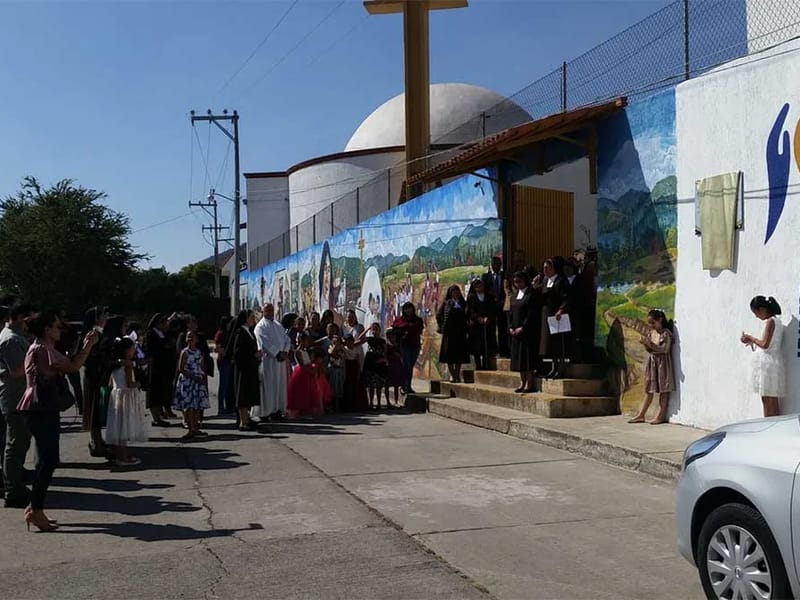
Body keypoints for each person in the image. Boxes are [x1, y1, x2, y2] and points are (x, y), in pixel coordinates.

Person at [17, 311, 98, 531]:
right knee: (48, 460)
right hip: (41, 408)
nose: (59, 330)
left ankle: (35, 507)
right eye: (55, 326)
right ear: (46, 330)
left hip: (39, 407)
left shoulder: (39, 348)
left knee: (46, 459)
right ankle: (36, 510)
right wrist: (88, 345)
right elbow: (73, 367)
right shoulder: (43, 349)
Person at [0, 302, 33, 507]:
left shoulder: (15, 337)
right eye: (29, 318)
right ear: (20, 317)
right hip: (14, 396)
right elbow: (17, 370)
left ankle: (14, 484)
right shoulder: (11, 340)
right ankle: (13, 490)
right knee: (14, 444)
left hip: (17, 395)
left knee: (18, 442)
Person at [105, 337, 149, 465]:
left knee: (117, 427)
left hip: (116, 396)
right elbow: (130, 383)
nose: (134, 350)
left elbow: (110, 384)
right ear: (126, 350)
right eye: (132, 348)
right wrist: (139, 383)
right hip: (126, 397)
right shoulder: (128, 365)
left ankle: (119, 454)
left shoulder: (115, 365)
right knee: (124, 427)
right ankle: (123, 457)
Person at [741, 296, 785, 418]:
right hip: (773, 362)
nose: (756, 316)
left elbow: (765, 344)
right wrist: (753, 342)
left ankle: (767, 428)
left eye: (756, 313)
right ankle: (775, 428)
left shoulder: (770, 321)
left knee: (766, 400)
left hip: (767, 364)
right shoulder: (777, 321)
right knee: (772, 399)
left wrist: (751, 338)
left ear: (762, 309)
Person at [629, 309, 675, 425]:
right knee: (649, 389)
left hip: (663, 364)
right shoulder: (652, 333)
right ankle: (641, 415)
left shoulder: (666, 334)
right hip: (653, 363)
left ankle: (660, 416)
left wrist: (651, 344)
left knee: (664, 391)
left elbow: (665, 349)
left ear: (660, 320)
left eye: (653, 323)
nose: (651, 326)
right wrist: (646, 345)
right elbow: (650, 349)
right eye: (649, 323)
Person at [253, 303, 292, 422]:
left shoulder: (278, 325)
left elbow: (287, 339)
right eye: (267, 310)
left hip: (280, 362)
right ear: (263, 311)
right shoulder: (260, 326)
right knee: (267, 387)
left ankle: (277, 410)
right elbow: (264, 342)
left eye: (271, 310)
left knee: (280, 386)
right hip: (268, 362)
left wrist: (285, 351)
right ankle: (265, 412)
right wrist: (277, 353)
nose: (270, 312)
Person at [81, 306, 110, 457]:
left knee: (99, 410)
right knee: (94, 410)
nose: (105, 319)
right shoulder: (91, 334)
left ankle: (99, 440)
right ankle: (96, 442)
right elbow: (86, 356)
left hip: (100, 376)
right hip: (94, 376)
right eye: (102, 316)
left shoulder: (100, 333)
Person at [174, 331, 210, 440]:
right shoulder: (184, 352)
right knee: (188, 406)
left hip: (198, 382)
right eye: (188, 336)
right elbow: (181, 368)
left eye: (192, 336)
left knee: (197, 406)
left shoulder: (199, 352)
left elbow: (202, 366)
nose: (190, 338)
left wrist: (203, 379)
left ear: (196, 339)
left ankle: (195, 427)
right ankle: (190, 428)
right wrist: (193, 377)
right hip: (188, 381)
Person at [508, 270, 540, 393]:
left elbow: (531, 314)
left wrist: (523, 327)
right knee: (519, 360)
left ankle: (530, 383)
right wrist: (511, 327)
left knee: (527, 359)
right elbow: (511, 313)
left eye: (519, 281)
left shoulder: (531, 294)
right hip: (515, 331)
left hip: (527, 332)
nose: (517, 284)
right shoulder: (515, 296)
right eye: (515, 282)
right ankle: (522, 382)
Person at [538, 258, 569, 379]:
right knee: (549, 345)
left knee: (558, 344)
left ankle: (560, 369)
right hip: (547, 314)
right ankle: (553, 368)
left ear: (554, 268)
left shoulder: (561, 281)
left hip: (557, 316)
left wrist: (561, 309)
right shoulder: (545, 280)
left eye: (547, 267)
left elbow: (566, 298)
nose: (545, 270)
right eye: (544, 267)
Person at [145, 313, 177, 427]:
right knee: (155, 393)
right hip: (156, 368)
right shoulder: (151, 334)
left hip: (165, 368)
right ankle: (156, 418)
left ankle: (161, 414)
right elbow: (153, 350)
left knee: (162, 393)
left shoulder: (163, 333)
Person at [232, 310, 261, 431]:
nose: (253, 319)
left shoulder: (249, 331)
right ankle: (243, 422)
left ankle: (247, 419)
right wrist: (253, 355)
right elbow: (238, 352)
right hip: (243, 369)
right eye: (251, 317)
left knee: (249, 394)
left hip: (250, 368)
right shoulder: (240, 332)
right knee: (242, 395)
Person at [436, 285, 470, 383]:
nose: (456, 294)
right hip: (449, 333)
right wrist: (442, 327)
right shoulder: (447, 303)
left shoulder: (463, 303)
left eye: (457, 292)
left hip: (460, 333)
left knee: (459, 355)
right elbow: (439, 315)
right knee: (449, 355)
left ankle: (457, 373)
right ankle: (453, 374)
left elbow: (467, 315)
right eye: (454, 292)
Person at [287, 333, 324, 419]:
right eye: (307, 340)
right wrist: (310, 371)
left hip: (308, 372)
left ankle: (306, 411)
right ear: (302, 341)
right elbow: (302, 364)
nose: (308, 342)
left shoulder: (306, 350)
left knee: (309, 392)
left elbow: (308, 361)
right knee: (302, 393)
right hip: (302, 373)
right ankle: (301, 411)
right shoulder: (298, 351)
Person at [391, 302, 424, 394]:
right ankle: (406, 386)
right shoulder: (399, 320)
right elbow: (394, 330)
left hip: (415, 345)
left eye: (409, 308)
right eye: (406, 309)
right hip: (404, 345)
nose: (408, 310)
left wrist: (407, 327)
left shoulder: (417, 320)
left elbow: (419, 329)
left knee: (410, 365)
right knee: (407, 366)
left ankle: (406, 385)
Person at [467, 279, 498, 371]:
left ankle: (486, 363)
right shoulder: (471, 297)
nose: (479, 288)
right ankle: (478, 365)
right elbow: (470, 310)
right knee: (477, 346)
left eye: (481, 286)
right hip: (476, 326)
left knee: (486, 345)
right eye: (477, 286)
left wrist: (488, 317)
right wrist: (478, 318)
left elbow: (492, 308)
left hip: (487, 324)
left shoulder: (489, 296)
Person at [482, 256, 508, 358]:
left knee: (503, 330)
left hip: (502, 306)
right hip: (491, 307)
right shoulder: (486, 277)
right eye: (494, 264)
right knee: (491, 330)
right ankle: (492, 351)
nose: (496, 266)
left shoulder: (504, 275)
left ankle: (504, 351)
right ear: (491, 265)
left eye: (498, 264)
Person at [361, 324, 389, 410]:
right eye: (373, 330)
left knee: (379, 386)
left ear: (379, 330)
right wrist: (367, 329)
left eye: (376, 329)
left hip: (379, 364)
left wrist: (384, 360)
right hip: (370, 363)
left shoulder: (382, 341)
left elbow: (385, 352)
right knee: (371, 386)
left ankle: (379, 403)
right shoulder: (370, 339)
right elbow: (360, 339)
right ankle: (371, 403)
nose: (374, 331)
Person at [213, 316, 234, 415]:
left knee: (227, 385)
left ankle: (227, 406)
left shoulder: (228, 333)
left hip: (228, 360)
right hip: (223, 361)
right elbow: (217, 348)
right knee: (223, 385)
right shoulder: (220, 334)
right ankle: (221, 407)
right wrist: (224, 352)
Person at [385, 329, 405, 408]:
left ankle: (396, 401)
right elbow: (385, 355)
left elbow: (401, 354)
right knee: (387, 385)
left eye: (394, 336)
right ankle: (388, 402)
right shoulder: (387, 345)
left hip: (397, 365)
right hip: (389, 365)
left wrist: (399, 356)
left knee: (396, 385)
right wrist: (392, 356)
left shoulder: (398, 345)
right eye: (391, 336)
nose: (393, 338)